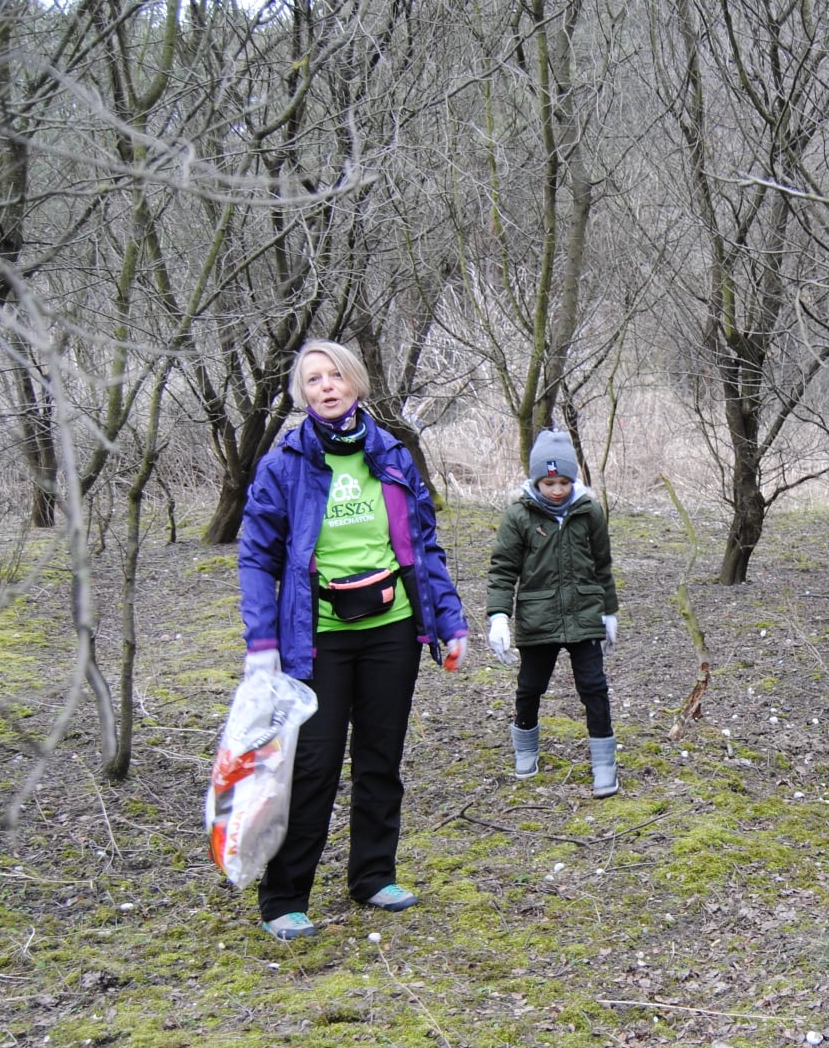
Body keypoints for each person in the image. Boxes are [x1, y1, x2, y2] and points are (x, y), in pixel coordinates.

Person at [239, 340, 469, 941]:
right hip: (315, 637)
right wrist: (261, 641)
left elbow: (422, 546)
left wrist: (449, 621)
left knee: (380, 759)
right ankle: (284, 897)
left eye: (335, 375)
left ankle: (372, 875)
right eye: (312, 380)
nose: (326, 386)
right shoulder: (284, 462)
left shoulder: (391, 454)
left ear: (357, 383)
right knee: (312, 765)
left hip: (390, 630)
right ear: (302, 394)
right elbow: (257, 555)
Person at [486, 429, 622, 798]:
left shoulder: (589, 511)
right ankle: (526, 749)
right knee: (531, 687)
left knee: (594, 687)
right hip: (537, 616)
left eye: (564, 481)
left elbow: (602, 565)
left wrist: (609, 611)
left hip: (584, 614)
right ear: (536, 479)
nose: (557, 489)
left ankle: (604, 763)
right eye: (549, 482)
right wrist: (498, 616)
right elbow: (502, 570)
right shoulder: (519, 516)